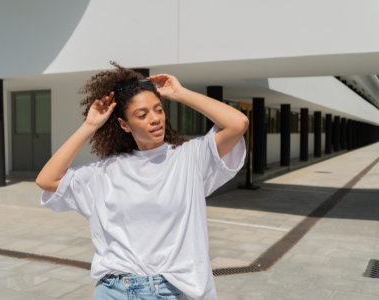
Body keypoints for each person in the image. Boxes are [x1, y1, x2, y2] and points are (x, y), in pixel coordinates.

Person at [36, 61, 249, 300]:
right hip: (113, 290)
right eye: (142, 114)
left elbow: (237, 123)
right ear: (124, 124)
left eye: (158, 109)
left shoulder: (190, 157)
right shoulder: (105, 172)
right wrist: (90, 125)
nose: (155, 118)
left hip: (170, 291)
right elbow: (47, 179)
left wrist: (180, 93)